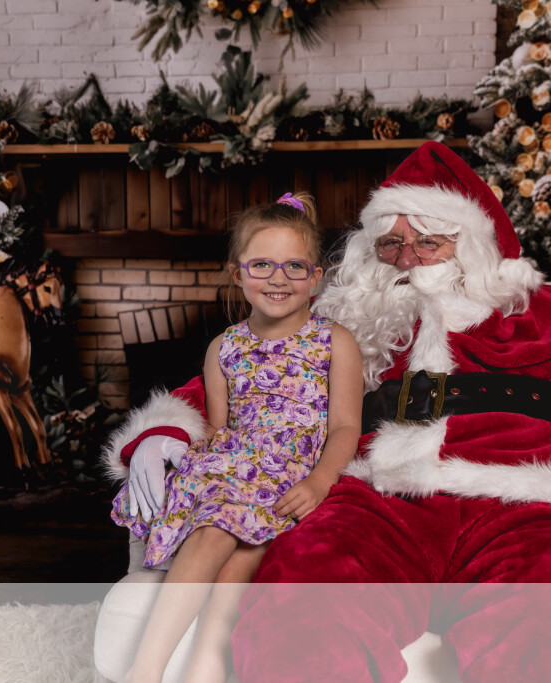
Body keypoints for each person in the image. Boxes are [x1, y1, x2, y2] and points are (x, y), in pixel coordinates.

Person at [106, 143, 551, 682]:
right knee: (300, 612)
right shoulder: (341, 323)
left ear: (474, 243)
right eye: (391, 242)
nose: (408, 257)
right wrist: (166, 429)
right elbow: (247, 375)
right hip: (373, 503)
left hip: (528, 506)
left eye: (430, 239)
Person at [107, 191, 363, 683]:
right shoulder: (223, 347)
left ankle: (200, 663)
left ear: (315, 277)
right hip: (234, 470)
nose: (278, 279)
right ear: (237, 273)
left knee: (244, 551)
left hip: (292, 474)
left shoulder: (335, 341)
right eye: (262, 265)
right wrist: (176, 447)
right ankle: (150, 668)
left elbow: (346, 426)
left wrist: (321, 481)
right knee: (220, 522)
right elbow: (220, 430)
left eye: (294, 266)